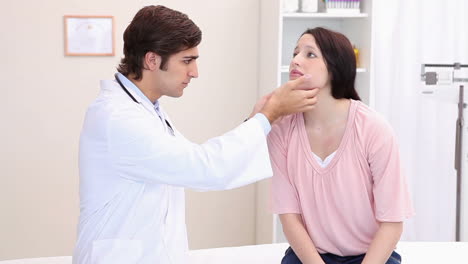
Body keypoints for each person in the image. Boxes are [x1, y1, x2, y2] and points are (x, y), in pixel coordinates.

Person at [72, 5, 319, 264]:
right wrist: (265, 118)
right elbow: (204, 167)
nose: (194, 72)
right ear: (152, 60)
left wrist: (256, 120)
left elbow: (192, 159)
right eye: (187, 61)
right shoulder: (118, 118)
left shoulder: (146, 110)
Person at [268, 27, 414, 264]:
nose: (295, 60)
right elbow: (289, 217)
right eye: (295, 53)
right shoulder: (281, 130)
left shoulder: (373, 128)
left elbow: (392, 221)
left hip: (372, 256)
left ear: (335, 67)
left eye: (310, 54)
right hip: (310, 256)